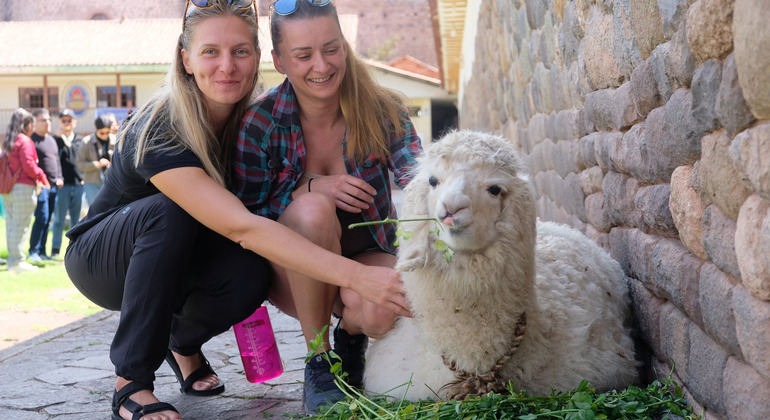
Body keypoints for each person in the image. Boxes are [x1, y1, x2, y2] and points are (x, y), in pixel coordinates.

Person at [63, 2, 409, 420]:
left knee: (248, 276)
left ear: (259, 58)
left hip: (183, 252)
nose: (226, 66)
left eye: (240, 51)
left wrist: (307, 185)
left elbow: (260, 201)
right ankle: (131, 383)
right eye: (211, 52)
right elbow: (243, 225)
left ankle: (183, 343)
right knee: (168, 214)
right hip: (104, 258)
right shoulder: (161, 127)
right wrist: (357, 277)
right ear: (186, 59)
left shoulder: (252, 122)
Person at [234, 0, 422, 412]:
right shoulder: (259, 123)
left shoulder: (385, 108)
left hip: (367, 255)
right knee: (313, 211)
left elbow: (420, 178)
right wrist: (310, 187)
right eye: (303, 55)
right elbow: (246, 220)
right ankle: (319, 361)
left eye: (332, 48)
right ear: (280, 61)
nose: (321, 65)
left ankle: (350, 334)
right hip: (294, 270)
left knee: (380, 312)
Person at [2, 109, 50, 272]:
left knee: (12, 224)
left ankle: (13, 260)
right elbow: (29, 165)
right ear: (27, 125)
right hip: (22, 187)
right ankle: (16, 262)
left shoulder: (9, 140)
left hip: (7, 189)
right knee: (20, 225)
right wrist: (42, 176)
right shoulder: (24, 140)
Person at [28, 108, 63, 262]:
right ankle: (33, 251)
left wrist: (60, 177)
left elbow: (56, 161)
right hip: (40, 186)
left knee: (48, 219)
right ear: (35, 122)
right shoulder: (31, 140)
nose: (47, 122)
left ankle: (42, 252)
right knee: (41, 217)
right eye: (43, 120)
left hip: (54, 186)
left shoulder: (51, 140)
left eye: (49, 119)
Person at [51, 108, 84, 258]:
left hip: (78, 184)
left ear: (74, 122)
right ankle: (55, 249)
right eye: (63, 121)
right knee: (59, 219)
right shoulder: (56, 140)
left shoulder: (79, 140)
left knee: (76, 221)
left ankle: (74, 249)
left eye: (69, 120)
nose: (66, 123)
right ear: (60, 123)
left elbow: (81, 160)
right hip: (62, 185)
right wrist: (58, 138)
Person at [76, 114, 115, 206]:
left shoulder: (116, 139)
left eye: (107, 132)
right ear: (96, 129)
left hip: (112, 181)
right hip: (91, 182)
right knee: (95, 209)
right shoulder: (86, 141)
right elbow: (80, 164)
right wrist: (97, 164)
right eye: (102, 133)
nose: (105, 135)